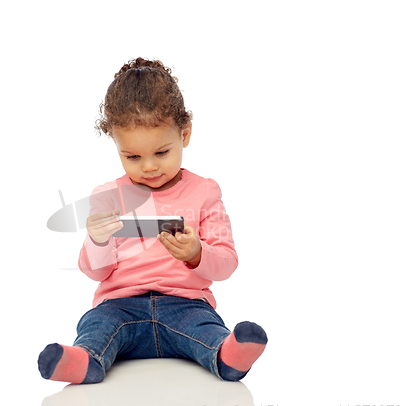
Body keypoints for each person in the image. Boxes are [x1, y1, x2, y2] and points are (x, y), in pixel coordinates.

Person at [38, 57, 268, 384]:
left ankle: (226, 356)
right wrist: (97, 240)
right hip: (119, 306)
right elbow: (95, 273)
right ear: (117, 146)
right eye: (132, 156)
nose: (148, 167)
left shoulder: (204, 192)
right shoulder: (107, 196)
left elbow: (228, 263)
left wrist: (195, 253)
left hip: (186, 306)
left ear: (184, 134)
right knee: (97, 325)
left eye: (161, 152)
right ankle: (84, 361)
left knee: (205, 328)